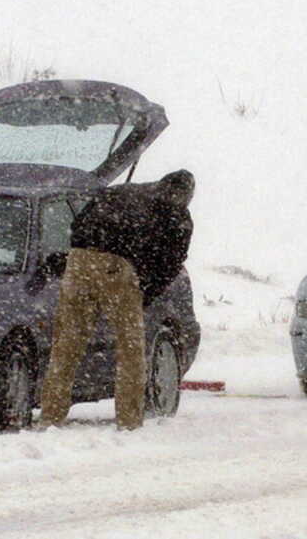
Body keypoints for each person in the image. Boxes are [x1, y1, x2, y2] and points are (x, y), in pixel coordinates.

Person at [37, 169, 195, 429]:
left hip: (78, 262)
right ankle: (129, 420)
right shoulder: (175, 212)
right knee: (130, 350)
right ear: (186, 194)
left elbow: (78, 224)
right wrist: (144, 292)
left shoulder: (121, 191)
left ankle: (50, 416)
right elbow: (170, 263)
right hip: (118, 267)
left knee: (66, 346)